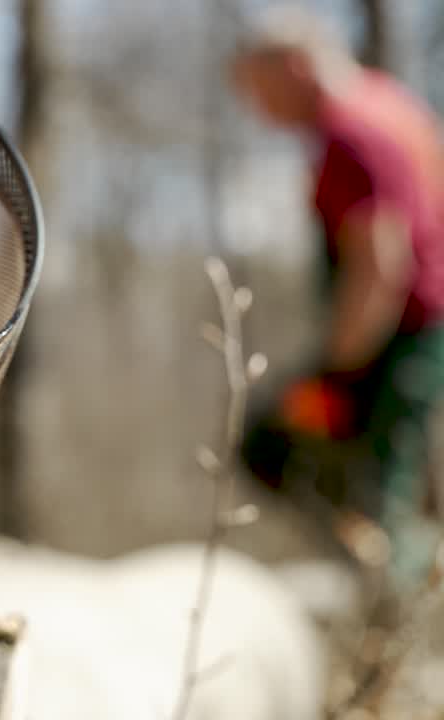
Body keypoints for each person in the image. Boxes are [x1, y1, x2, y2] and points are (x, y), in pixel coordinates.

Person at [230, 6, 444, 592]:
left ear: (295, 67)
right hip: (415, 335)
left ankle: (391, 608)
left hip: (396, 339)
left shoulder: (351, 133)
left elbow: (381, 264)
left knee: (281, 454)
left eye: (260, 90)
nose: (260, 110)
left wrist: (336, 374)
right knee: (389, 482)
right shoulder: (388, 101)